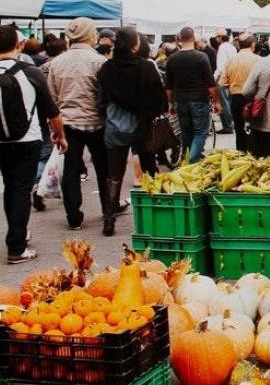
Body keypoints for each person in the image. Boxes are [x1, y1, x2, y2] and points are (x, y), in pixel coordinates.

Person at [0, 25, 67, 263]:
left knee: (10, 187)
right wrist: (60, 136)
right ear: (19, 46)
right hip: (26, 140)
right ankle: (17, 247)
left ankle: (17, 232)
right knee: (20, 189)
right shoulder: (30, 72)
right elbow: (53, 113)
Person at [97, 27, 167, 236]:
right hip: (143, 125)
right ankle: (156, 211)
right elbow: (160, 101)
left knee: (114, 174)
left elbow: (101, 101)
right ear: (135, 45)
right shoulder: (146, 67)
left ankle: (109, 220)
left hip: (115, 126)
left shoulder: (106, 69)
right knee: (149, 169)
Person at [46, 17, 112, 230]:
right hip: (97, 122)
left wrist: (53, 128)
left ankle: (73, 216)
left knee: (71, 171)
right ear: (91, 35)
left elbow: (52, 98)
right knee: (104, 169)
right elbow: (105, 96)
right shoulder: (100, 62)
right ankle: (107, 210)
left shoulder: (56, 63)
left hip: (67, 123)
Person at [165, 26, 221, 163]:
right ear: (194, 38)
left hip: (180, 101)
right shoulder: (201, 57)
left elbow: (169, 87)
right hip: (199, 100)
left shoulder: (172, 59)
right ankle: (192, 160)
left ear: (179, 39)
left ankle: (189, 161)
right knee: (200, 132)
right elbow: (211, 83)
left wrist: (171, 103)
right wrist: (218, 102)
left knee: (186, 133)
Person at [32, 38, 68, 212]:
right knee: (54, 155)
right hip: (59, 115)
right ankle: (38, 183)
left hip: (39, 117)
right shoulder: (63, 66)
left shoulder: (39, 69)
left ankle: (41, 183)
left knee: (44, 153)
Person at [219, 33, 260, 152]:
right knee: (255, 128)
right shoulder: (258, 60)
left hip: (236, 98)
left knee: (239, 128)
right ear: (252, 45)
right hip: (254, 99)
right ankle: (254, 152)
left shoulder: (231, 60)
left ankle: (241, 152)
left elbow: (222, 83)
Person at [212, 28, 236, 134]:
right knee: (229, 102)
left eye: (217, 37)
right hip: (232, 77)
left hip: (223, 78)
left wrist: (213, 78)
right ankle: (231, 124)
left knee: (224, 102)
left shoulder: (222, 48)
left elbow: (220, 67)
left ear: (220, 37)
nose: (216, 39)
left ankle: (227, 126)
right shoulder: (232, 47)